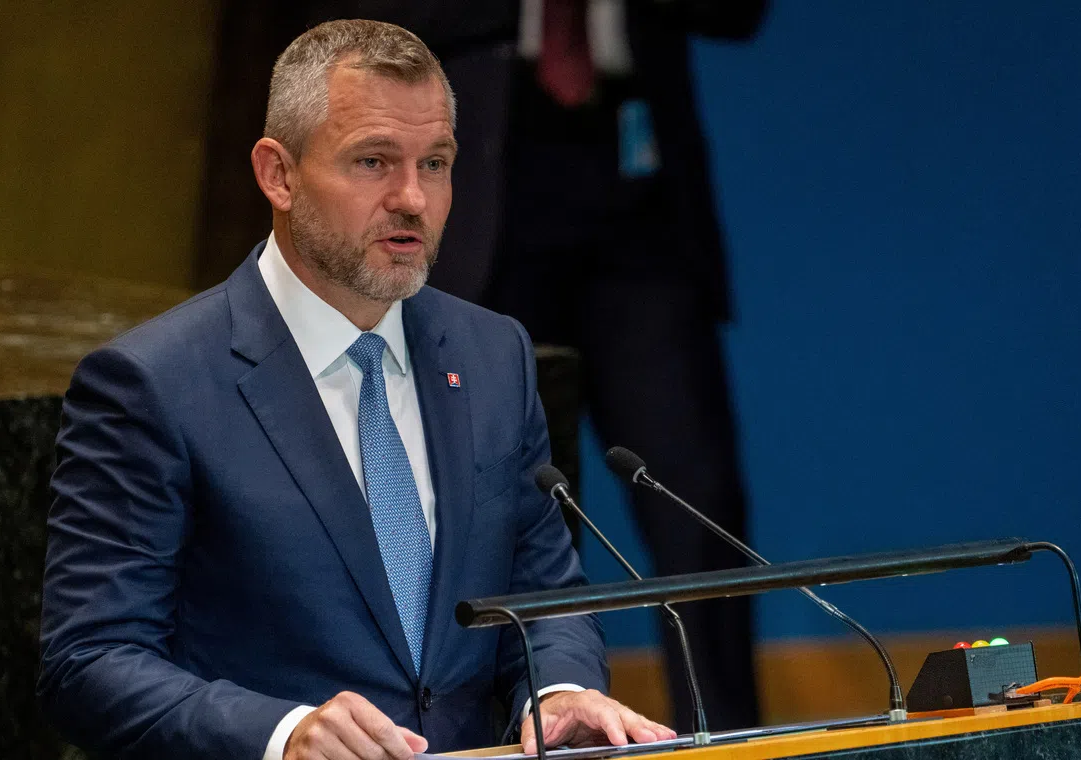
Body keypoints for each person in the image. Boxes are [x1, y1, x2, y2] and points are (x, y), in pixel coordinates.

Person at [37, 20, 675, 760]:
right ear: (278, 173)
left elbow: (544, 597)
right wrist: (282, 734)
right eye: (373, 161)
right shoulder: (155, 384)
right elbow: (91, 662)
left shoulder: (494, 355)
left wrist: (556, 694)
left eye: (435, 163)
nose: (413, 198)